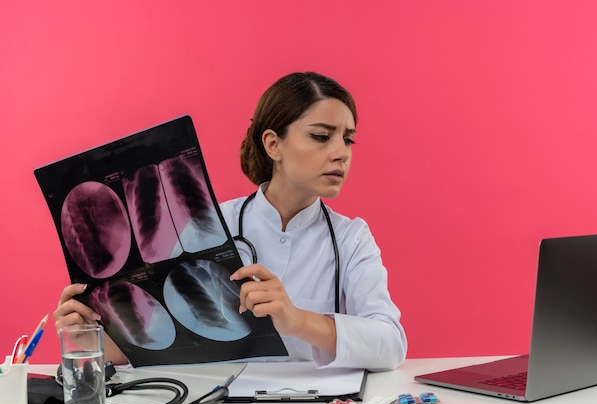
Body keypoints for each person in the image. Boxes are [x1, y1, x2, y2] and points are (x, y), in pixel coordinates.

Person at [54, 71, 407, 371]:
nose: (341, 152)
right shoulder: (210, 224)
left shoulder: (351, 238)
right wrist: (95, 337)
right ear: (273, 144)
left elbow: (391, 344)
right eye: (321, 136)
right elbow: (168, 348)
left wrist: (296, 320)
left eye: (347, 139)